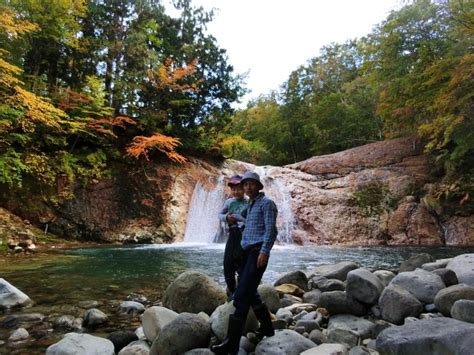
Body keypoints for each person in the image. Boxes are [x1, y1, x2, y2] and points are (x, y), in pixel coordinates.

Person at [212, 171, 278, 355]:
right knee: (250, 293)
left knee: (240, 296)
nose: (248, 187)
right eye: (246, 184)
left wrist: (264, 251)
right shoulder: (250, 203)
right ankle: (267, 327)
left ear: (258, 186)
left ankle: (231, 344)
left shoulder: (267, 204)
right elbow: (248, 228)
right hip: (246, 252)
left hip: (257, 253)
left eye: (252, 184)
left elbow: (271, 231)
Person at [218, 175, 248, 297]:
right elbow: (220, 214)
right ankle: (232, 290)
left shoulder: (249, 202)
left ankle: (241, 291)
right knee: (228, 262)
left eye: (239, 189)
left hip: (245, 235)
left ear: (244, 189)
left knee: (242, 263)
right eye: (234, 189)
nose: (236, 192)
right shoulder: (229, 202)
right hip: (233, 233)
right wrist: (226, 218)